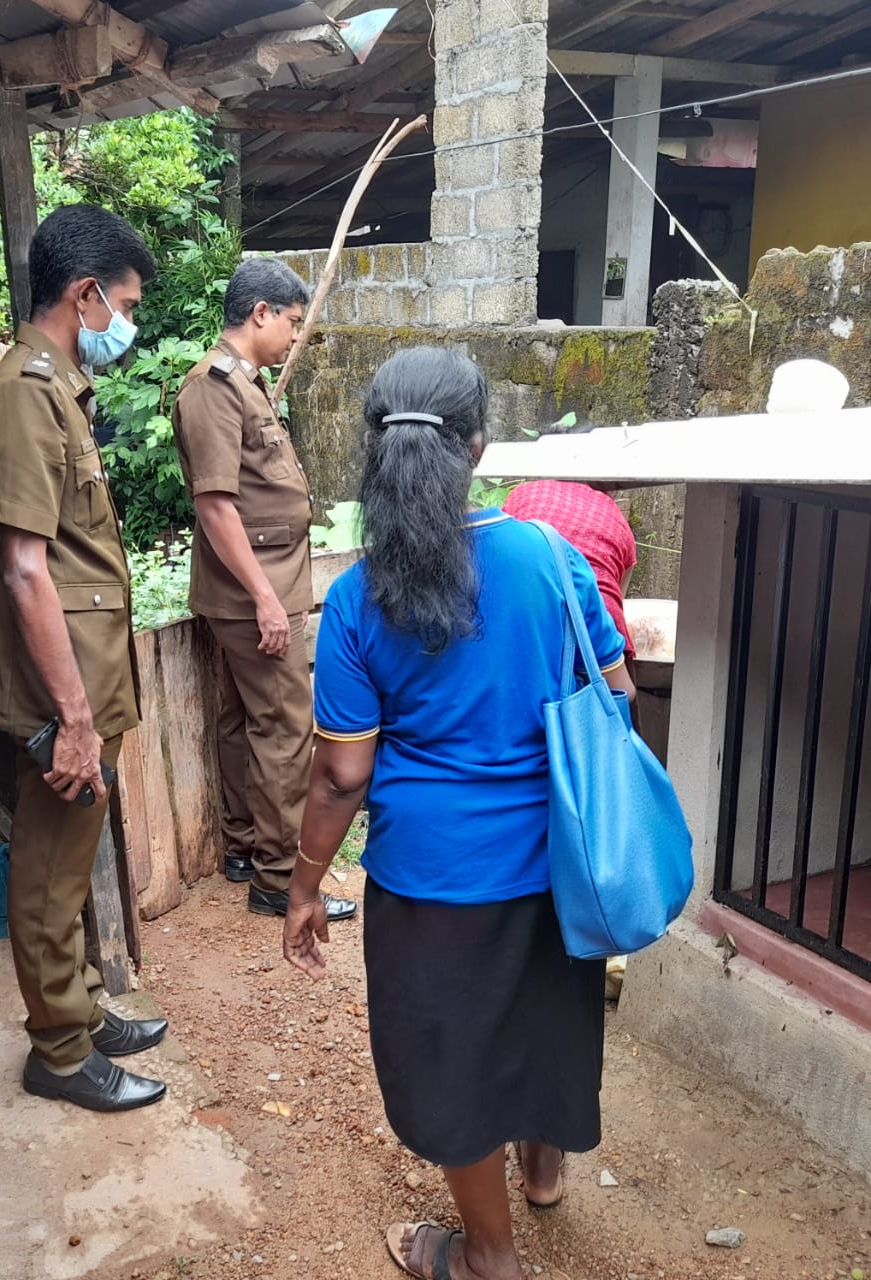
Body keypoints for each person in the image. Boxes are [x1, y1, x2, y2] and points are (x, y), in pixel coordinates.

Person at [283, 347, 635, 1280]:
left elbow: (341, 776)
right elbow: (617, 690)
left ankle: (487, 1254)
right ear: (478, 445)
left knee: (456, 1057)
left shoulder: (358, 598)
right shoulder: (551, 561)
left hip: (432, 882)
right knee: (542, 1022)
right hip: (561, 867)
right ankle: (544, 1175)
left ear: (373, 449)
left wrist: (303, 885)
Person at [0, 204, 169, 1113]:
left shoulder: (57, 390)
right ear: (85, 295)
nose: (126, 323)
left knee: (74, 856)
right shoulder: (23, 394)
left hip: (85, 673)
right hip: (61, 691)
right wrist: (74, 718)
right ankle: (58, 1051)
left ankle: (83, 1010)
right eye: (122, 302)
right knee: (49, 873)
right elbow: (23, 567)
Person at [172, 258, 356, 925]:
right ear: (261, 314)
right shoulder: (215, 387)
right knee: (283, 726)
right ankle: (280, 879)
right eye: (292, 322)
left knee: (248, 721)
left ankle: (251, 848)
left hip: (260, 583)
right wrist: (266, 599)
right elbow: (217, 506)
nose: (292, 336)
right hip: (255, 590)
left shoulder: (243, 384)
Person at [503, 473, 638, 672]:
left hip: (524, 624)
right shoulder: (615, 519)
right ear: (614, 489)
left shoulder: (522, 495)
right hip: (590, 635)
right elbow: (615, 604)